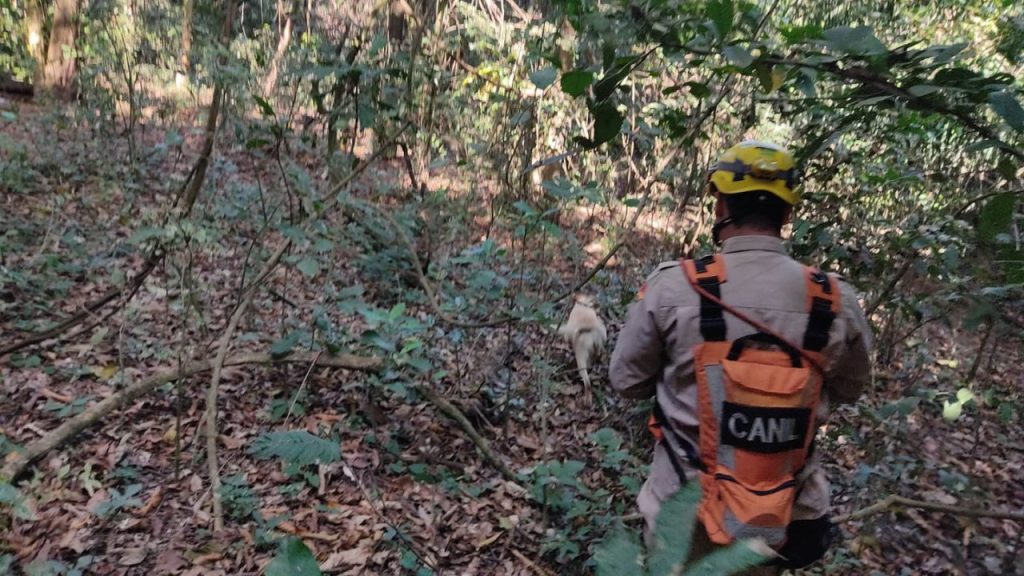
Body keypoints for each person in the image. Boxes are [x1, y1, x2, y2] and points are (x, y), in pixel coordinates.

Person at [610, 141, 873, 574]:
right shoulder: (833, 299)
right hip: (780, 514)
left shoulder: (675, 288)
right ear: (787, 215)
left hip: (683, 513)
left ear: (719, 207)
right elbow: (850, 387)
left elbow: (626, 382)